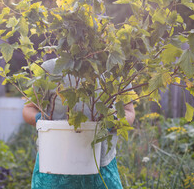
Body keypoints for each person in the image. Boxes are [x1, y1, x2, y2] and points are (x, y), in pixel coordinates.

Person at [22, 58, 135, 189]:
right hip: (53, 165)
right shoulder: (50, 69)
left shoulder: (116, 69)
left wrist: (112, 122)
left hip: (100, 164)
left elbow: (129, 112)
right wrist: (40, 120)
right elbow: (28, 108)